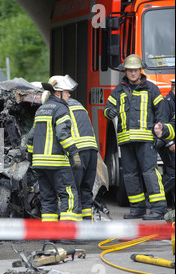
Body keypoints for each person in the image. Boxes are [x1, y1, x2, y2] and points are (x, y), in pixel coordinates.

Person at [104, 54, 167, 220]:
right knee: (130, 175)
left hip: (146, 140)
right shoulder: (119, 90)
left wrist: (161, 135)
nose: (133, 73)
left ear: (140, 71)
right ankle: (137, 208)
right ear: (125, 71)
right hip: (125, 141)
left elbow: (161, 113)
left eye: (136, 70)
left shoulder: (152, 89)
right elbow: (107, 108)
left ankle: (159, 209)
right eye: (130, 70)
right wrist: (108, 112)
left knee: (149, 173)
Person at [26, 75, 81, 222]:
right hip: (57, 163)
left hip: (39, 165)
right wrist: (74, 153)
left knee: (48, 198)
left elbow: (30, 139)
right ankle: (66, 232)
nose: (69, 95)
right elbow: (63, 134)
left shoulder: (40, 110)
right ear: (58, 93)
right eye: (67, 92)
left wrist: (32, 157)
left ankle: (50, 235)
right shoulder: (61, 109)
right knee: (68, 195)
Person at [67, 97, 99, 220]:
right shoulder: (79, 104)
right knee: (86, 190)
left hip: (78, 152)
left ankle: (76, 226)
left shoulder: (59, 108)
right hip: (92, 150)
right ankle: (86, 225)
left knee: (74, 190)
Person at [153, 79, 175, 208]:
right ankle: (153, 201)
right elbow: (162, 125)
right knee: (172, 173)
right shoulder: (166, 103)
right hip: (167, 145)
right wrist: (170, 143)